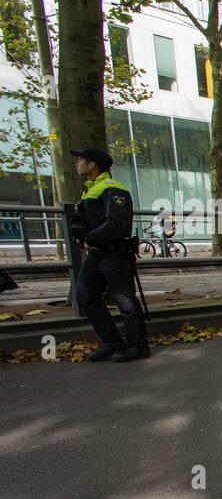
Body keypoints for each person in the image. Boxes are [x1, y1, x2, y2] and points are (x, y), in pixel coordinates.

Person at [70, 147, 148, 362]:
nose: (77, 163)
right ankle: (112, 342)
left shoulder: (113, 189)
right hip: (96, 254)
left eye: (80, 160)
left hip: (114, 254)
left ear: (92, 164)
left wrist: (90, 238)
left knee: (125, 301)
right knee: (85, 295)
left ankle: (138, 346)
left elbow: (117, 224)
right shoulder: (90, 189)